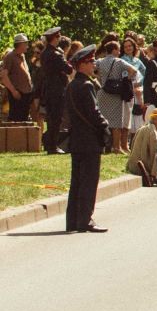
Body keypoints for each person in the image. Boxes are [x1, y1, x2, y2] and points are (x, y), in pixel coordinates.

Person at [63, 45, 109, 231]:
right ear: (81, 64)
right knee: (89, 183)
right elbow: (93, 113)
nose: (93, 64)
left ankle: (72, 221)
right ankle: (85, 220)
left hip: (77, 139)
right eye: (90, 61)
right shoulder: (86, 85)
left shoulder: (72, 85)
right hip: (89, 140)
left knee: (77, 183)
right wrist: (105, 126)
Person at [39, 27, 71, 153]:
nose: (59, 39)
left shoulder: (45, 53)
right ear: (54, 38)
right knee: (56, 118)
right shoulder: (56, 54)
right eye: (58, 37)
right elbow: (67, 68)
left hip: (49, 87)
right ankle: (53, 146)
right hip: (57, 88)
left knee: (51, 117)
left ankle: (49, 144)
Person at [3, 33, 33, 122]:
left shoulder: (22, 56)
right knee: (16, 118)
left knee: (24, 118)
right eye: (25, 44)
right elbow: (4, 76)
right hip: (17, 94)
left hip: (25, 94)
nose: (27, 46)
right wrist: (14, 91)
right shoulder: (10, 56)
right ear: (20, 44)